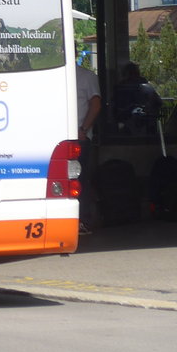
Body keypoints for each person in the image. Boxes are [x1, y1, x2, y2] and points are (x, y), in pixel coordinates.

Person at [74, 66, 102, 234]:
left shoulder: (86, 76)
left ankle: (83, 221)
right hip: (59, 137)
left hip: (80, 138)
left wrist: (84, 129)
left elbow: (96, 104)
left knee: (80, 180)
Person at [112, 62, 162, 137]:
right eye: (132, 73)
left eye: (135, 73)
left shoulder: (144, 86)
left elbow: (157, 101)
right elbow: (115, 108)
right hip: (127, 124)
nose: (134, 77)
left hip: (145, 126)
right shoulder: (121, 88)